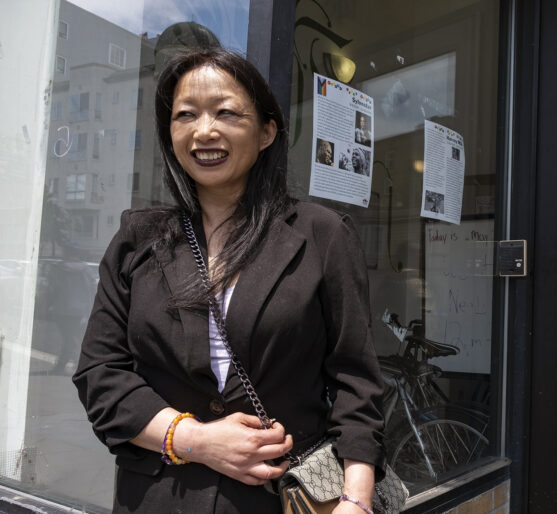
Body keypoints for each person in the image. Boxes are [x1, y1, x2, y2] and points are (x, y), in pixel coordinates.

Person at [73, 49, 384, 513]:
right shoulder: (138, 238)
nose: (204, 131)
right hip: (158, 498)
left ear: (266, 132)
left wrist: (355, 501)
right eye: (185, 116)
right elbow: (99, 374)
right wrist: (195, 440)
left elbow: (355, 379)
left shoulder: (320, 235)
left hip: (282, 496)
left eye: (225, 112)